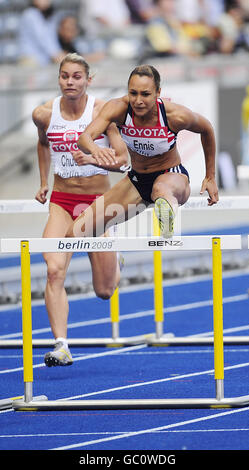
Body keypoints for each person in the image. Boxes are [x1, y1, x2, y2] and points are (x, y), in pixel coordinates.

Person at [32, 53, 129, 367]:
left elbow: (123, 159)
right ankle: (61, 344)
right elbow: (43, 144)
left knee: (104, 291)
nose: (70, 82)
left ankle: (115, 263)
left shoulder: (102, 111)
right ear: (58, 78)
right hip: (61, 200)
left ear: (89, 79)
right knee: (53, 269)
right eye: (64, 76)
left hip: (96, 206)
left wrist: (94, 158)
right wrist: (43, 181)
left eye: (76, 76)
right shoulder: (44, 114)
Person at [67, 64, 218, 246]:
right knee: (73, 235)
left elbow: (207, 129)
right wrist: (96, 149)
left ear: (158, 93)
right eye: (133, 93)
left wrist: (210, 176)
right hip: (136, 180)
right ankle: (114, 258)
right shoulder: (118, 108)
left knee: (160, 190)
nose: (138, 100)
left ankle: (167, 214)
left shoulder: (175, 115)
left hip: (171, 175)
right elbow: (83, 139)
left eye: (145, 94)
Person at [18, 0, 65, 66]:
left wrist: (59, 53)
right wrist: (56, 54)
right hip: (30, 59)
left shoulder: (49, 15)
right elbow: (42, 38)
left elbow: (52, 39)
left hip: (43, 60)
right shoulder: (30, 14)